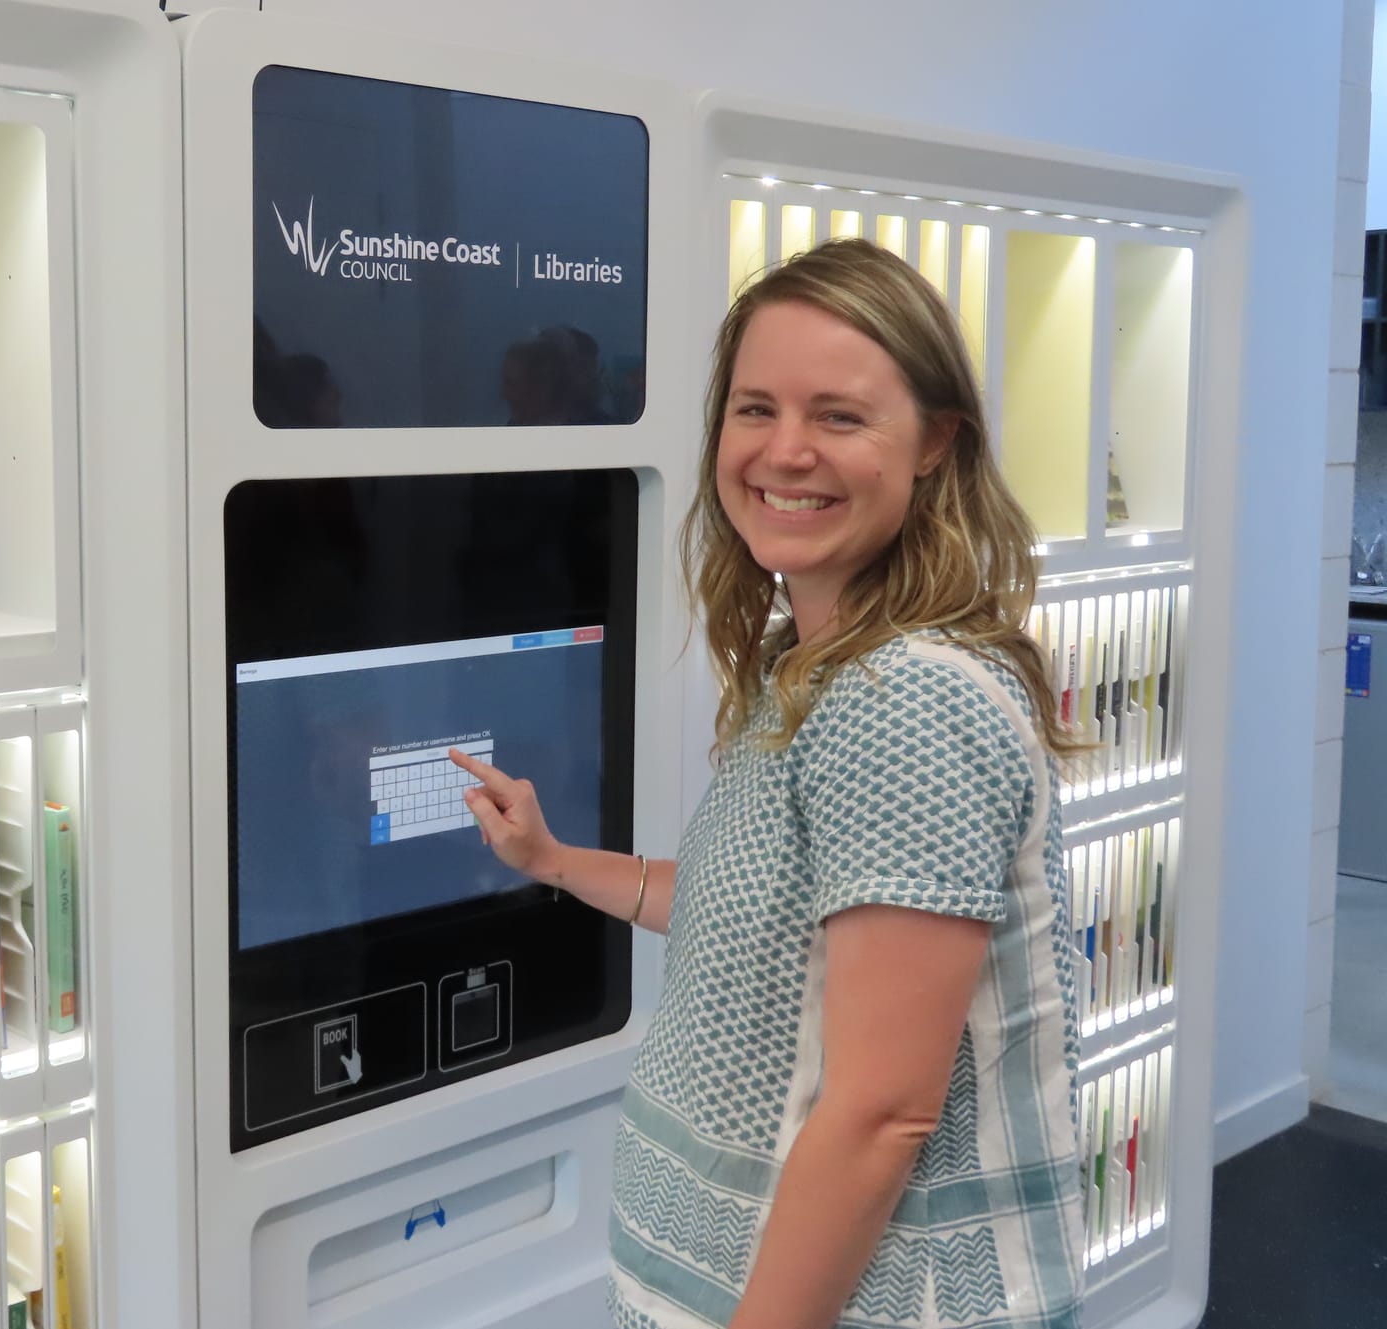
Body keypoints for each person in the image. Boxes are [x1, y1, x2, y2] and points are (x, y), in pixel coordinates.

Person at [450, 237, 1089, 1329]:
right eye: (754, 410)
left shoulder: (906, 700)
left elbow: (882, 1113)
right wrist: (551, 862)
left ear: (935, 441)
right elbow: (757, 925)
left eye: (837, 417)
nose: (782, 452)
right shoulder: (817, 664)